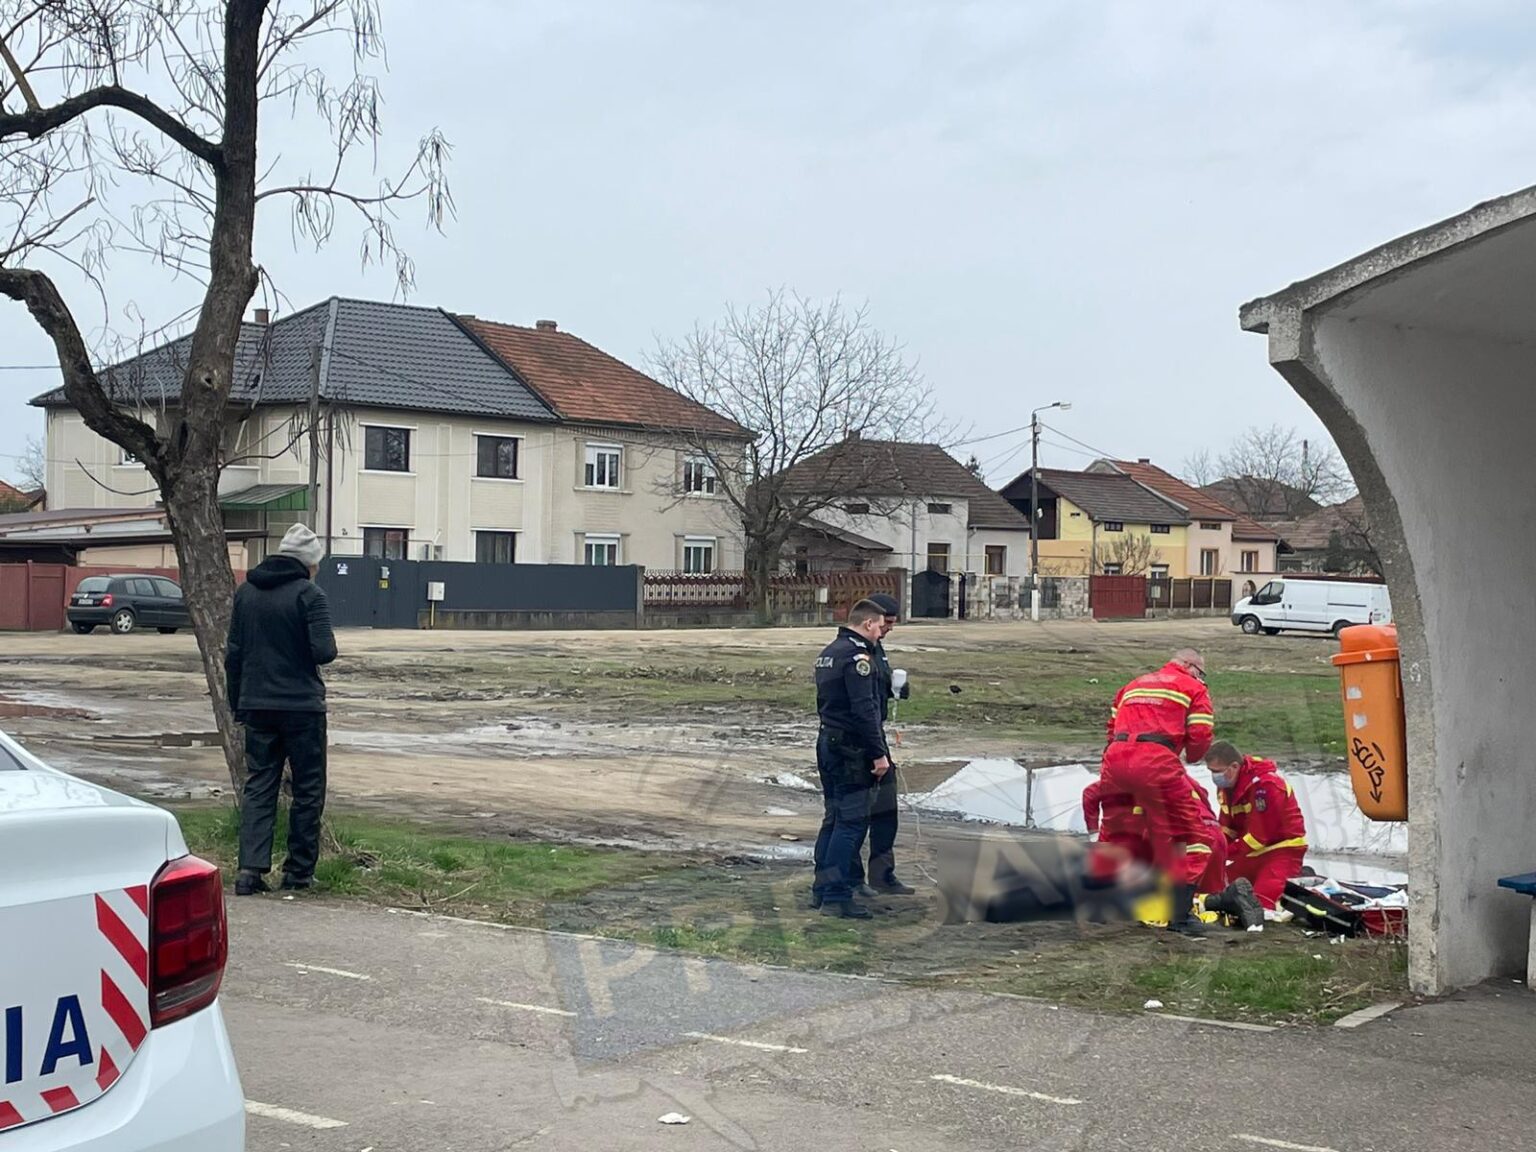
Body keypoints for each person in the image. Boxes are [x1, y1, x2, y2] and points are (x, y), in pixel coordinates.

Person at [226, 523, 338, 896]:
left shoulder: (246, 594)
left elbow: (234, 654)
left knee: (260, 784)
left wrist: (237, 703)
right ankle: (298, 872)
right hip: (302, 707)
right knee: (307, 788)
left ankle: (249, 871)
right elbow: (325, 652)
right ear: (308, 563)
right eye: (317, 564)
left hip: (256, 704)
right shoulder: (310, 595)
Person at [1097, 647, 1216, 936]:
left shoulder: (1134, 684)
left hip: (1115, 759)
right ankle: (1178, 916)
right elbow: (1200, 736)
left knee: (1115, 832)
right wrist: (1191, 756)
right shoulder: (1193, 688)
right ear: (1190, 666)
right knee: (1193, 838)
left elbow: (1112, 727)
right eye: (1202, 673)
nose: (1202, 678)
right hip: (1156, 761)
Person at [811, 599, 892, 919]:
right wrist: (878, 753)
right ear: (868, 623)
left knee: (833, 818)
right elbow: (864, 710)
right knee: (850, 822)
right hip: (851, 748)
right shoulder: (858, 658)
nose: (881, 632)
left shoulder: (830, 652)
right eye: (880, 626)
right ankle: (835, 895)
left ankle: (821, 890)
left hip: (828, 740)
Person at [848, 592, 914, 897]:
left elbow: (880, 686)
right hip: (860, 740)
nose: (887, 630)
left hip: (877, 734)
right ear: (871, 620)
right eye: (885, 623)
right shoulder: (856, 652)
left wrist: (898, 688)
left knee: (886, 809)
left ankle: (882, 875)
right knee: (855, 813)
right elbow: (859, 703)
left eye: (891, 625)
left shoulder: (878, 649)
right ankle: (852, 879)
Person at [1206, 741, 1309, 910]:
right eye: (1211, 771)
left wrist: (1224, 853)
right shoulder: (1226, 787)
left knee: (1263, 905)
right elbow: (1227, 829)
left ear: (1234, 766)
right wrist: (1212, 851)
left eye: (1217, 771)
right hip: (1251, 853)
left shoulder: (1266, 786)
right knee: (1216, 889)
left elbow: (1259, 837)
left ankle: (1296, 879)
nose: (1214, 776)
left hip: (1281, 851)